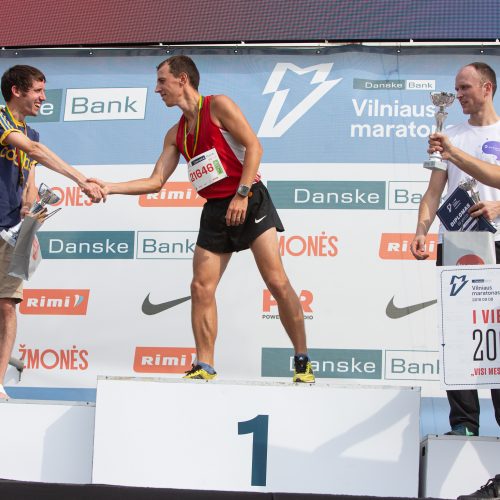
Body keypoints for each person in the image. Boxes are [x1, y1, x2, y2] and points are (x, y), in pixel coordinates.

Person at [90, 55, 315, 382]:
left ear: (183, 79)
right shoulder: (174, 134)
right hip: (215, 209)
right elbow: (155, 182)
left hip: (249, 198)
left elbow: (254, 147)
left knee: (277, 282)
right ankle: (204, 365)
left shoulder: (219, 105)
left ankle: (302, 359)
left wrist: (241, 193)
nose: (157, 90)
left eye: (162, 82)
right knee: (200, 287)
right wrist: (109, 187)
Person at [0, 65, 105, 399]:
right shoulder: (1, 119)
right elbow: (35, 154)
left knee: (7, 305)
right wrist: (80, 179)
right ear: (16, 91)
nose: (44, 98)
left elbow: (28, 176)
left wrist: (30, 217)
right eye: (38, 91)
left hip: (11, 230)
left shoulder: (33, 133)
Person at [410, 62, 500, 437]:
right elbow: (434, 192)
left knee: (494, 334)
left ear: (487, 88)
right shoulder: (451, 134)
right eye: (456, 89)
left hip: (497, 243)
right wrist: (420, 230)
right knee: (457, 333)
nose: (459, 94)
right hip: (460, 243)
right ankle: (463, 423)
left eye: (465, 88)